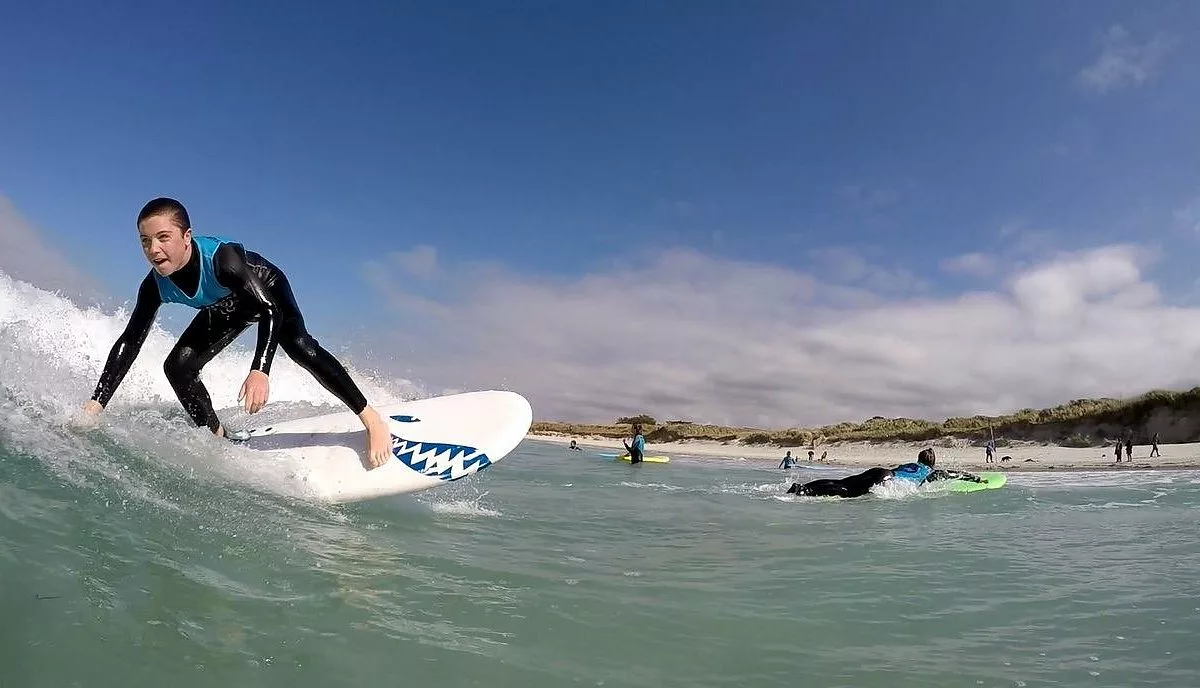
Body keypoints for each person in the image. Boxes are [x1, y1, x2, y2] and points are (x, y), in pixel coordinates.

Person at [81, 197, 393, 469]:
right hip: (226, 307)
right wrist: (96, 405)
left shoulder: (222, 260)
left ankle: (370, 419)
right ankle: (218, 437)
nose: (154, 249)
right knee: (177, 367)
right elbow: (130, 341)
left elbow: (270, 310)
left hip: (266, 291)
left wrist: (260, 370)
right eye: (145, 241)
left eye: (163, 237)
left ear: (186, 236)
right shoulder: (154, 286)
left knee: (299, 345)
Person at [786, 448, 982, 498]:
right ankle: (808, 493)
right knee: (848, 492)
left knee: (843, 482)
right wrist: (973, 477)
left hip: (882, 471)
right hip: (887, 479)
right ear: (932, 463)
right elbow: (951, 474)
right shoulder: (930, 472)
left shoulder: (910, 465)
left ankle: (804, 487)